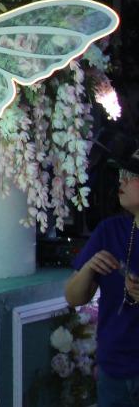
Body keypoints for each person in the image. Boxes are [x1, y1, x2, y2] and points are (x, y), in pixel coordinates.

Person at [68, 157, 139, 405]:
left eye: (132, 175)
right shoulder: (110, 231)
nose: (123, 180)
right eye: (122, 174)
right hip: (115, 366)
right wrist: (89, 267)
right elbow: (73, 297)